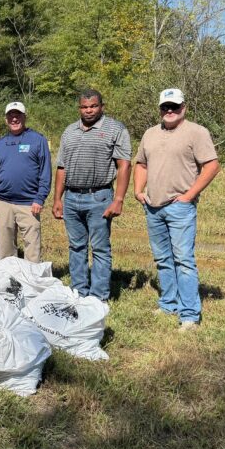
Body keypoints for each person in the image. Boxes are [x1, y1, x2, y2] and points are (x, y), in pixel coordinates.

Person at [133, 88, 220, 330]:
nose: (170, 111)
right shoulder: (150, 134)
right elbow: (140, 163)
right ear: (160, 108)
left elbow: (212, 166)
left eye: (175, 106)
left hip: (179, 207)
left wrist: (190, 195)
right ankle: (168, 304)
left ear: (184, 108)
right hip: (153, 207)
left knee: (183, 260)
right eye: (165, 107)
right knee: (162, 259)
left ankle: (190, 315)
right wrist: (138, 191)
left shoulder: (196, 132)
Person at [51, 89, 132, 301]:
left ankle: (98, 298)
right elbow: (61, 167)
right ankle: (79, 293)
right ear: (79, 108)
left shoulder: (115, 128)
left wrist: (119, 200)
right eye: (85, 107)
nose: (89, 110)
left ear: (101, 107)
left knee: (100, 249)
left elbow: (124, 165)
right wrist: (57, 199)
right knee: (76, 247)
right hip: (71, 198)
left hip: (99, 197)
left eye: (93, 106)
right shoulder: (69, 131)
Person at [0, 101, 52, 263]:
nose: (14, 119)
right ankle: (10, 281)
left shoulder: (38, 140)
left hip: (29, 204)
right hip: (3, 203)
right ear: (6, 119)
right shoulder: (0, 144)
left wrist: (40, 198)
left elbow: (45, 172)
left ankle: (33, 281)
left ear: (24, 117)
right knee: (6, 249)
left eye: (18, 115)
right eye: (11, 116)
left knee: (32, 248)